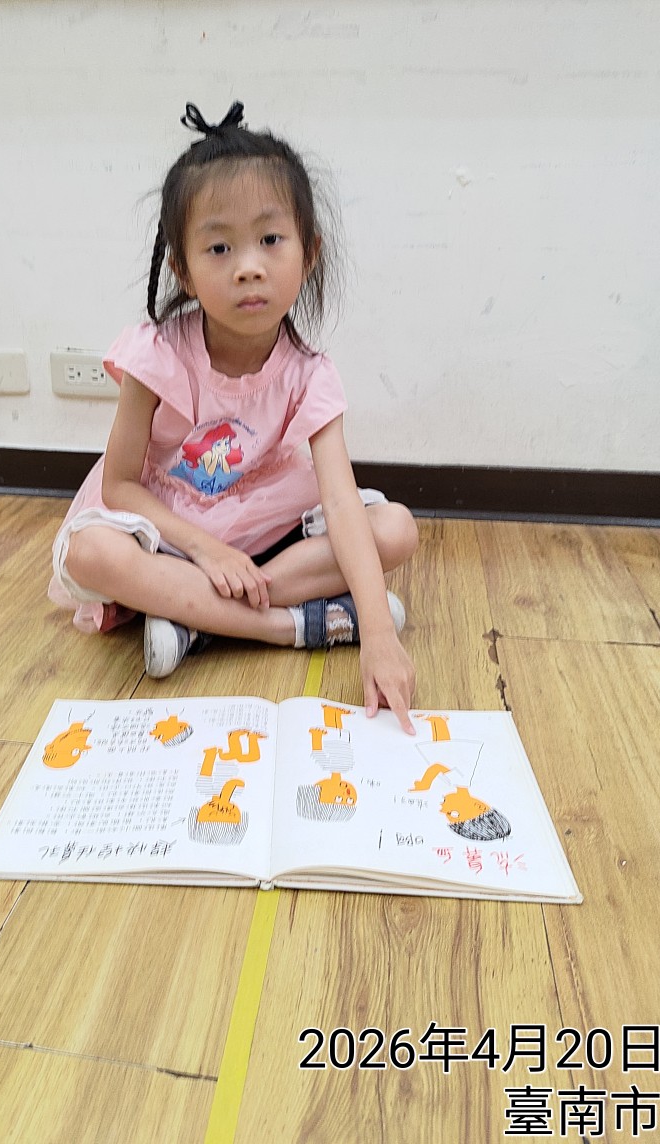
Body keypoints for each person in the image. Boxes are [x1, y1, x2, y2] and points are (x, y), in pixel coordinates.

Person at [49, 101, 418, 731]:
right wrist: (206, 551)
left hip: (260, 525)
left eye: (271, 240)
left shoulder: (310, 373)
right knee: (89, 553)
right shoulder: (155, 352)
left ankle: (193, 620)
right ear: (184, 271)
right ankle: (289, 627)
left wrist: (380, 635)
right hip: (173, 527)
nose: (249, 266)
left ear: (310, 253)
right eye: (219, 247)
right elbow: (120, 486)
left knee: (395, 529)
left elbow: (340, 500)